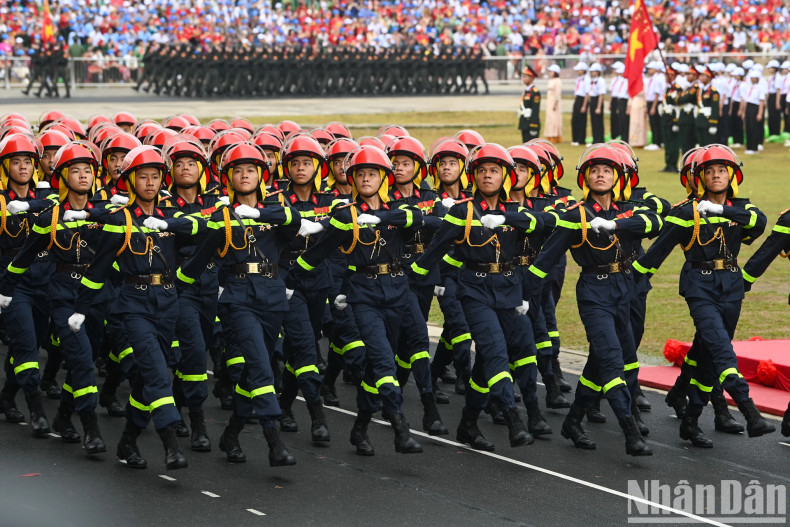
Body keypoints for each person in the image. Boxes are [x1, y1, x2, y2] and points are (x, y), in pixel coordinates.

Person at [633, 144, 775, 447]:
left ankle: (691, 418)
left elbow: (759, 222)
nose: (716, 175)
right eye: (709, 171)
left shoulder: (742, 209)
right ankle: (748, 410)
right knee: (721, 348)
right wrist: (630, 285)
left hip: (732, 287)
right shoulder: (686, 212)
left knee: (708, 355)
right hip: (700, 286)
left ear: (732, 175)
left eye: (722, 170)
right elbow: (656, 254)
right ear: (699, 178)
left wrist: (721, 210)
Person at [525, 144, 661, 456]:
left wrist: (616, 225)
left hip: (624, 290)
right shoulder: (576, 215)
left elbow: (655, 223)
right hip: (594, 292)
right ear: (585, 178)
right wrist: (520, 295)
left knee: (603, 362)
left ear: (618, 177)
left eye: (607, 171)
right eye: (594, 171)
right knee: (612, 360)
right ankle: (630, 431)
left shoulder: (628, 211)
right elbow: (545, 260)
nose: (600, 175)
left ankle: (573, 421)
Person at [72, 145, 200, 470]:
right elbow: (99, 270)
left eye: (155, 177)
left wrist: (167, 225)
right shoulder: (120, 220)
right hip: (134, 304)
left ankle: (128, 439)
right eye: (142, 177)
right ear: (131, 181)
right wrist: (80, 308)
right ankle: (170, 444)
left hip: (167, 302)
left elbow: (201, 228)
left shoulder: (172, 217)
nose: (150, 183)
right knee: (158, 372)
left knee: (147, 376)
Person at [291, 145, 425, 456]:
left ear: (384, 179)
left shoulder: (398, 211)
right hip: (363, 295)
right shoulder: (345, 215)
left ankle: (360, 427)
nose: (365, 179)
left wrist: (379, 218)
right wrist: (285, 283)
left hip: (396, 292)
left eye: (372, 174)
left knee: (378, 368)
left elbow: (419, 219)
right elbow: (317, 254)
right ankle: (400, 428)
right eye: (360, 174)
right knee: (382, 360)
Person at [412, 143, 541, 451]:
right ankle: (513, 418)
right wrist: (412, 279)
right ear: (474, 176)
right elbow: (435, 250)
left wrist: (506, 219)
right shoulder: (463, 211)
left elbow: (543, 224)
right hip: (475, 291)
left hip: (508, 290)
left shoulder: (516, 211)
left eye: (494, 171)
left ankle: (468, 424)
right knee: (495, 351)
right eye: (482, 170)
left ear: (505, 176)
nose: (487, 176)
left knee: (487, 362)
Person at [177, 142, 299, 467]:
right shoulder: (222, 217)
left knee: (255, 369)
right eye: (238, 171)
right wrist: (173, 289)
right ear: (228, 178)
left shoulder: (276, 209)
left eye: (251, 170)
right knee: (261, 368)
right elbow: (198, 259)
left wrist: (257, 213)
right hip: (239, 298)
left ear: (261, 176)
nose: (244, 176)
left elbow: (294, 219)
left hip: (272, 296)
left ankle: (231, 433)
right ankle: (275, 442)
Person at [0, 141, 107, 455]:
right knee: (26, 347)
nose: (23, 167)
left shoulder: (48, 200)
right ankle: (36, 408)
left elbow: (51, 207)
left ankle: (12, 397)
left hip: (48, 281)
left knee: (54, 349)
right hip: (17, 282)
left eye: (27, 161)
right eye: (15, 161)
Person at [742, 69, 765, 155]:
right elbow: (746, 100)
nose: (753, 80)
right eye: (751, 78)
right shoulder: (748, 87)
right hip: (748, 107)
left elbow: (761, 101)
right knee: (748, 127)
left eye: (754, 78)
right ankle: (749, 147)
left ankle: (754, 148)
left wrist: (760, 113)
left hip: (755, 107)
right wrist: (744, 112)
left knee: (754, 127)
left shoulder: (760, 88)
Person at [518, 65, 541, 143]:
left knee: (532, 146)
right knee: (524, 145)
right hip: (524, 122)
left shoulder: (535, 92)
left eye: (525, 77)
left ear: (531, 78)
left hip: (531, 123)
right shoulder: (526, 91)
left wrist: (533, 126)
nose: (523, 79)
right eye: (523, 76)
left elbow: (535, 110)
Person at [571, 62, 590, 146]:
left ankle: (581, 139)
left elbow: (587, 93)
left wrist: (584, 105)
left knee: (582, 120)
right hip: (577, 99)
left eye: (579, 70)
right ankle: (575, 138)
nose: (577, 71)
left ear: (583, 70)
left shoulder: (587, 79)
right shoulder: (578, 79)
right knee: (575, 119)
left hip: (583, 99)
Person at [609, 62, 628, 141]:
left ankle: (623, 137)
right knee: (617, 119)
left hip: (623, 101)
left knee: (623, 120)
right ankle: (616, 135)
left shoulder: (626, 81)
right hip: (617, 100)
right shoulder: (617, 80)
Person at [544, 65, 563, 143]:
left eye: (551, 71)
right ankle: (549, 135)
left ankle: (555, 136)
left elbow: (557, 93)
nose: (550, 73)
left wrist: (555, 103)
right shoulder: (550, 80)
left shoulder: (558, 81)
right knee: (549, 119)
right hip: (549, 102)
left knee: (554, 119)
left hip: (554, 102)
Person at [587, 64, 606, 144]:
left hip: (597, 100)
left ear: (597, 71)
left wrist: (598, 107)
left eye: (593, 71)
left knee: (598, 122)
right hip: (593, 100)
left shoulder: (601, 80)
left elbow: (601, 95)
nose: (592, 73)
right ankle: (595, 140)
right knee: (593, 122)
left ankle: (599, 139)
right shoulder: (593, 80)